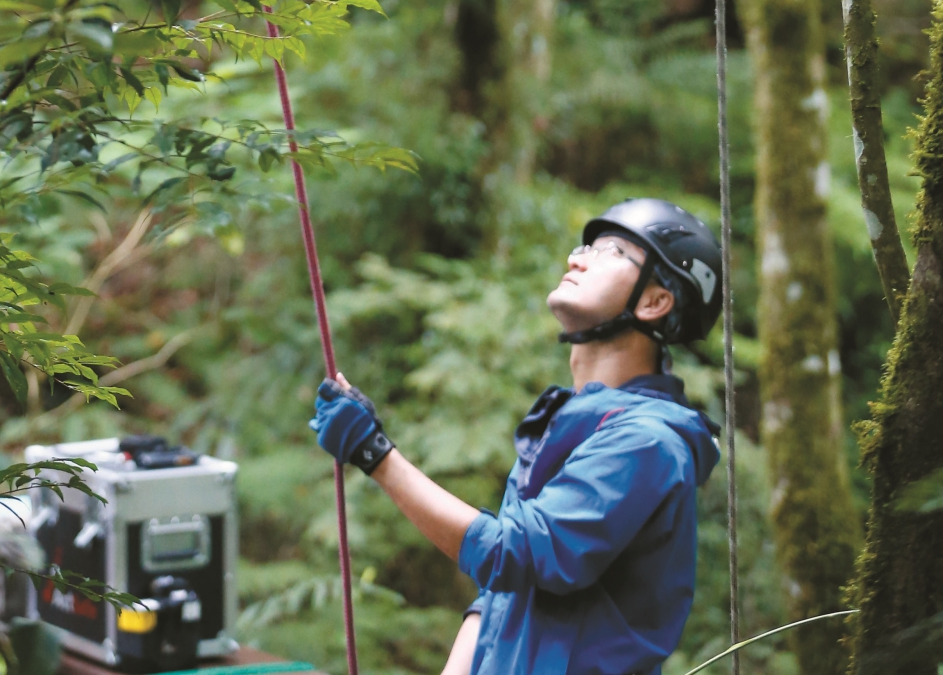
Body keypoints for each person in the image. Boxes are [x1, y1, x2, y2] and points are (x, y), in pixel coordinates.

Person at [309, 198, 724, 675]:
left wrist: (375, 454)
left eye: (611, 252)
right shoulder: (577, 423)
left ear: (654, 303)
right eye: (584, 248)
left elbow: (514, 554)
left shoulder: (647, 443)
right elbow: (503, 593)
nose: (577, 259)